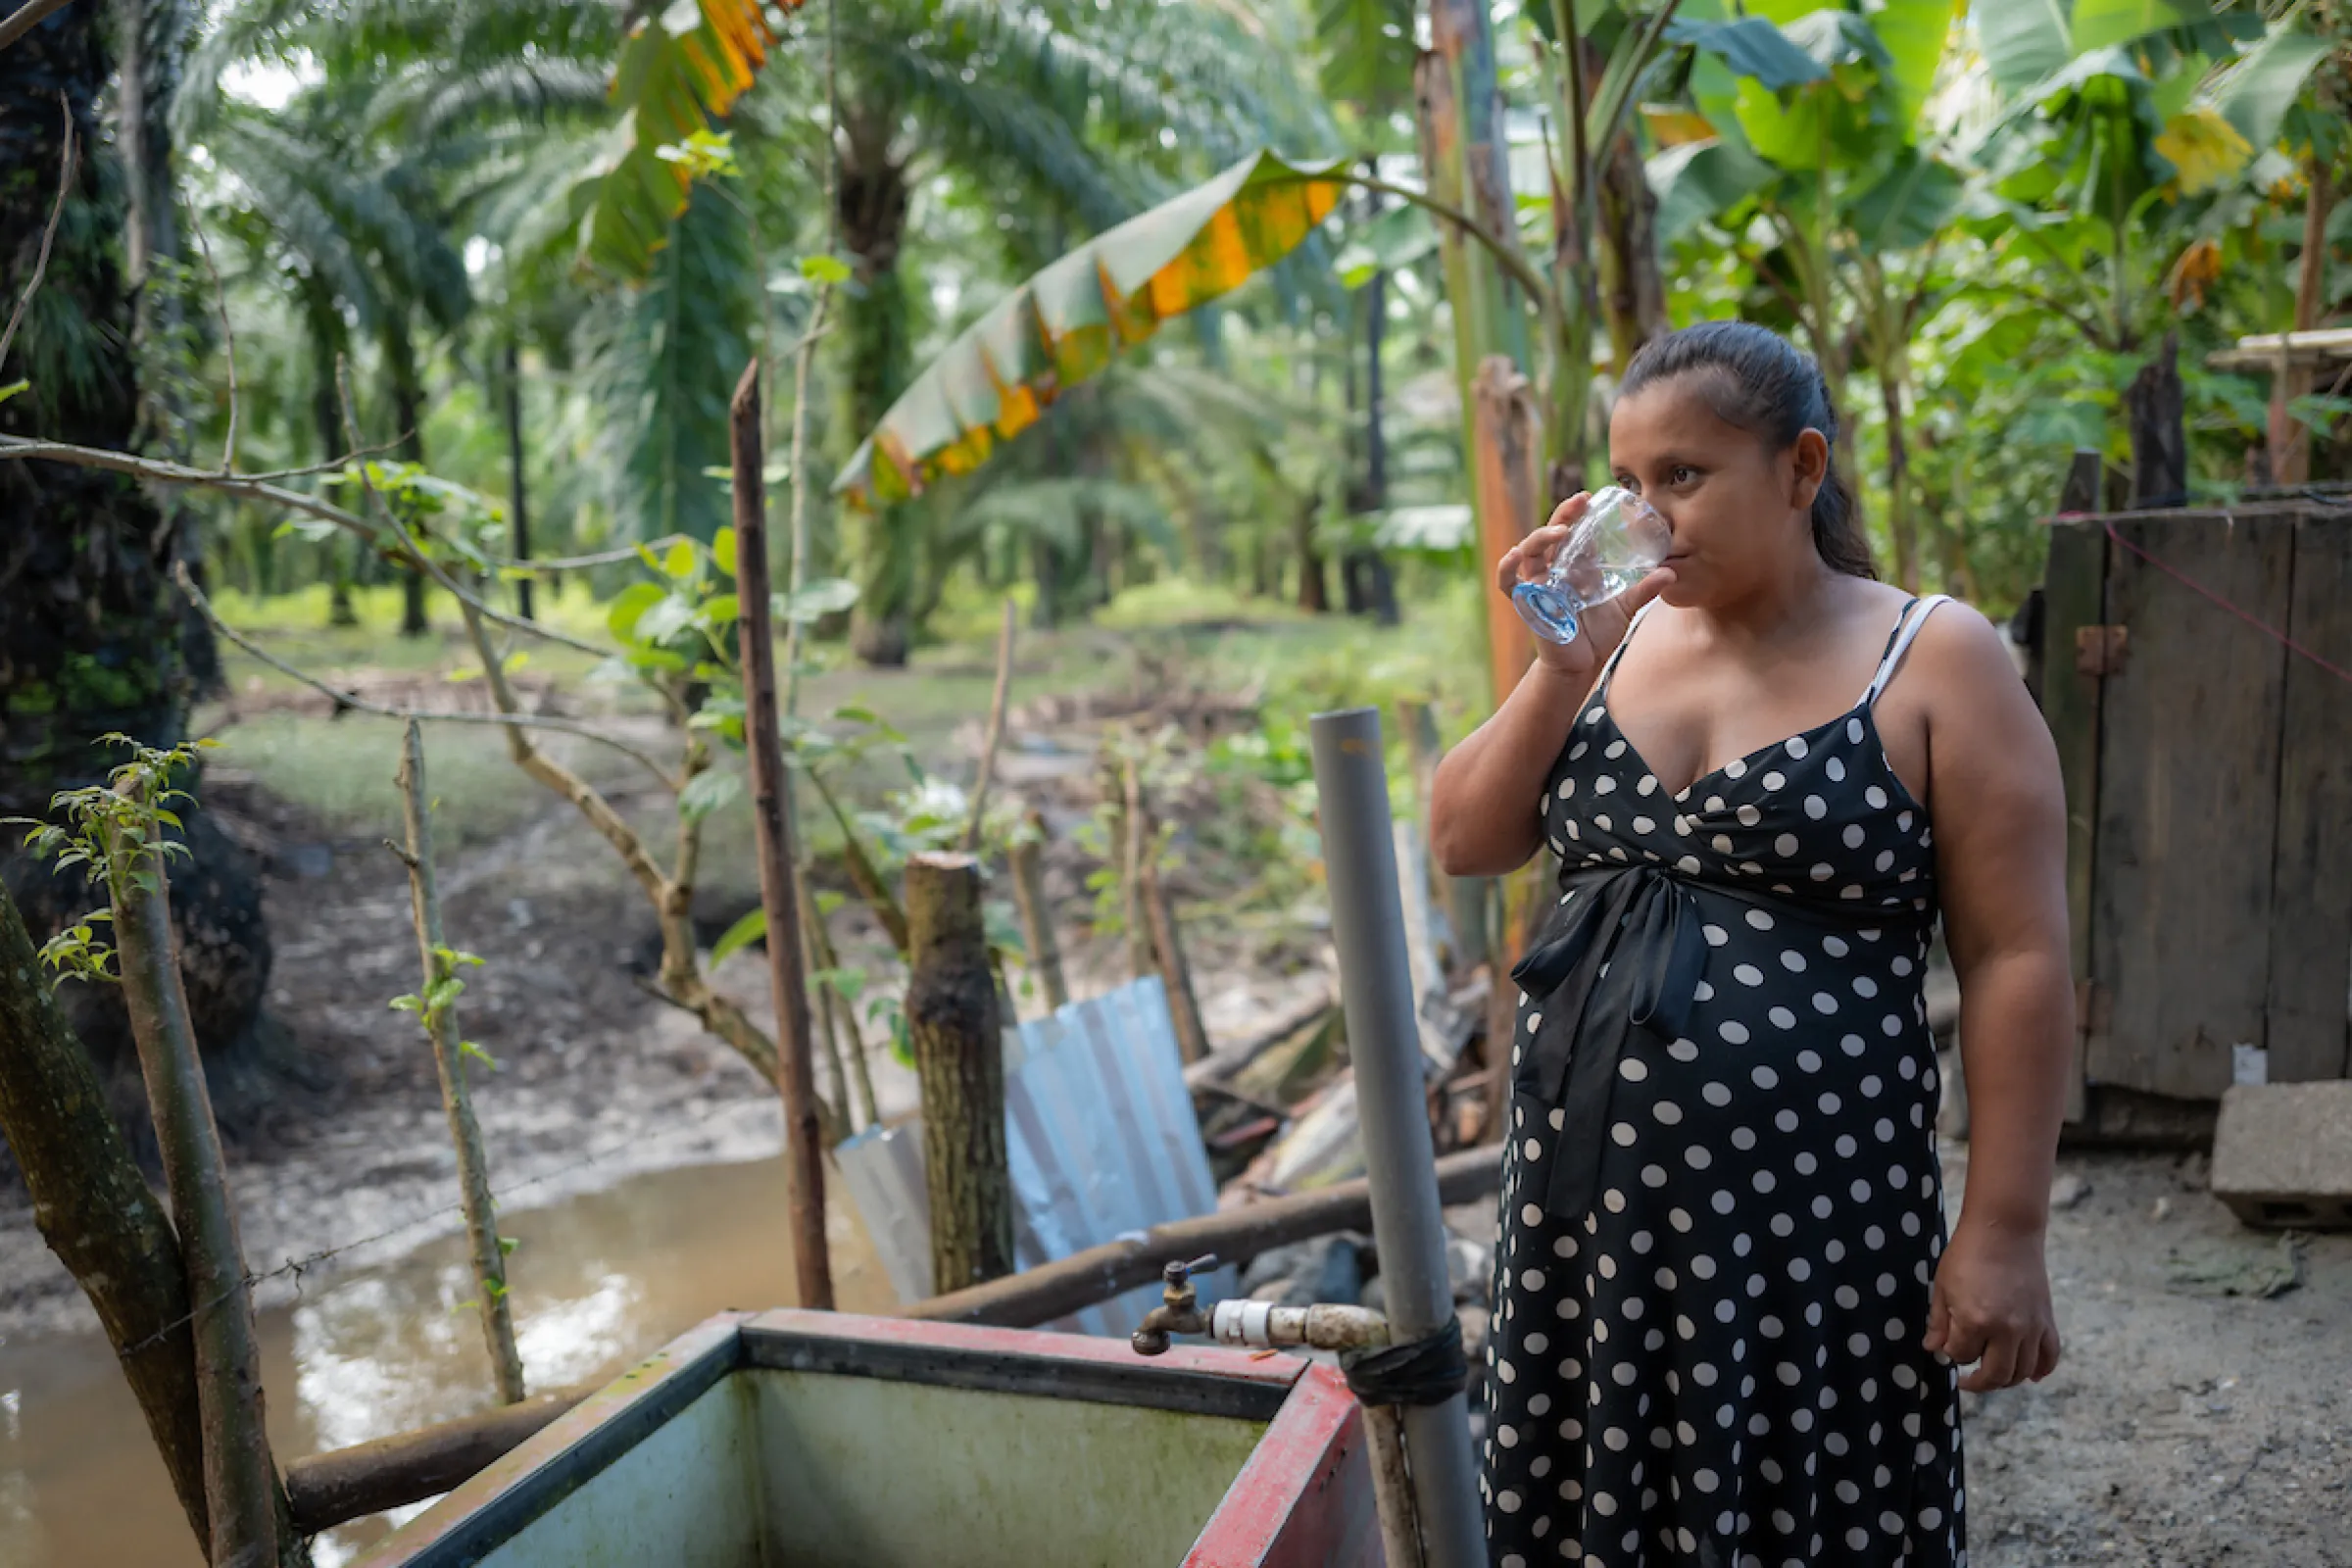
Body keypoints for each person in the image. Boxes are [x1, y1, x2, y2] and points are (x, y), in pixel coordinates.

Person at [1431, 320, 2073, 1567]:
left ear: (1800, 467)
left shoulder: (1933, 655)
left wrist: (2007, 1229)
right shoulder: (1611, 638)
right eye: (1627, 481)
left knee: (1801, 1507)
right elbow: (1466, 837)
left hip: (1811, 1233)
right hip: (1586, 1227)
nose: (1649, 513)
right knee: (1592, 1506)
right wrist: (1560, 665)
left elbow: (2018, 958)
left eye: (1684, 475)